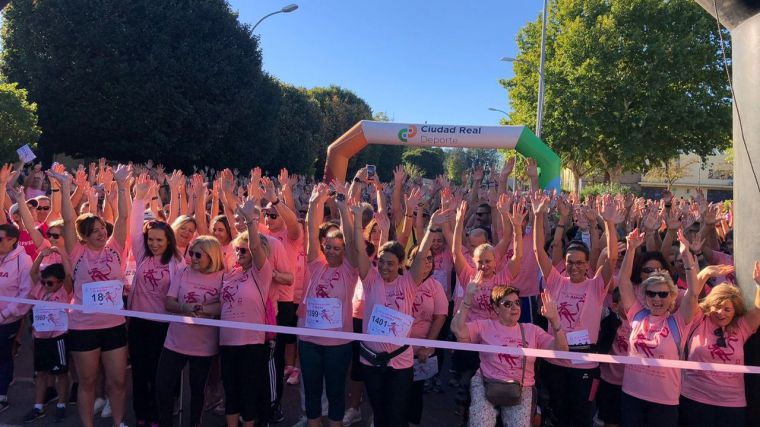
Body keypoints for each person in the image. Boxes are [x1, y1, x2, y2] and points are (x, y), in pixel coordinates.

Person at [48, 166, 130, 427]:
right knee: (87, 382)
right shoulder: (77, 252)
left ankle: (118, 422)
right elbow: (68, 220)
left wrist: (120, 184)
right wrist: (62, 186)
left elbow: (123, 218)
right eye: (94, 230)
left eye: (101, 228)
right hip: (83, 326)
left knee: (117, 381)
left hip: (114, 326)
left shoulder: (116, 248)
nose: (101, 232)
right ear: (83, 236)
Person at [532, 192, 618, 427]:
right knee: (556, 415)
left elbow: (611, 259)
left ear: (587, 264)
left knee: (580, 418)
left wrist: (608, 223)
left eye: (580, 262)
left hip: (585, 363)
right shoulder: (556, 280)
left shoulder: (596, 285)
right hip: (555, 361)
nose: (574, 267)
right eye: (570, 262)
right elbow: (539, 250)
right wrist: (539, 215)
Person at [354, 202, 440, 427]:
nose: (384, 267)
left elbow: (421, 254)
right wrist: (353, 218)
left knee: (396, 416)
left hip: (400, 363)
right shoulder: (370, 279)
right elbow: (358, 248)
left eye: (390, 264)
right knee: (379, 414)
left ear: (401, 264)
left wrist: (430, 227)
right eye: (381, 262)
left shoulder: (409, 283)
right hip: (371, 361)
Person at [617, 229, 701, 427]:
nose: (657, 299)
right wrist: (630, 249)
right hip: (631, 395)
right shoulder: (637, 315)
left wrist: (686, 255)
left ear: (672, 297)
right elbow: (623, 282)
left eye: (663, 294)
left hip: (664, 402)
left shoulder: (678, 321)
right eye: (652, 294)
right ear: (645, 297)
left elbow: (694, 293)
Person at [452, 282, 568, 426]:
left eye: (517, 303)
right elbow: (457, 329)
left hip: (521, 387)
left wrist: (555, 320)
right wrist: (467, 299)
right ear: (496, 308)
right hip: (486, 382)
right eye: (507, 304)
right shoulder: (485, 325)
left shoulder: (532, 330)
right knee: (480, 423)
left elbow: (562, 351)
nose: (514, 308)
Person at [297, 183, 358, 427]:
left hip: (338, 344)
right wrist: (314, 203)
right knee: (311, 392)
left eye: (337, 248)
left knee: (335, 393)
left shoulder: (349, 270)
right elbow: (311, 231)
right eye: (328, 247)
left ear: (344, 250)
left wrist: (343, 208)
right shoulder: (316, 264)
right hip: (310, 341)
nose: (331, 252)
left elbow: (353, 242)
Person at [127, 174, 184, 426]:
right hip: (139, 321)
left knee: (159, 372)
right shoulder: (142, 255)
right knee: (140, 371)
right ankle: (142, 414)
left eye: (159, 240)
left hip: (163, 324)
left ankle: (159, 415)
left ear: (168, 241)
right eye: (151, 240)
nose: (154, 244)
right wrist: (139, 198)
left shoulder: (177, 263)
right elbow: (133, 227)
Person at [155, 236, 225, 427]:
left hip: (203, 344)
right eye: (191, 253)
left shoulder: (223, 277)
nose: (192, 258)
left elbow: (224, 305)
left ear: (211, 256)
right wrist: (185, 307)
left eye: (197, 255)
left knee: (197, 389)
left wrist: (203, 309)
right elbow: (169, 302)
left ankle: (195, 423)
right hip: (176, 340)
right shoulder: (183, 271)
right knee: (163, 384)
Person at [678, 264, 760, 427]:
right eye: (716, 306)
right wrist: (705, 273)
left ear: (735, 310)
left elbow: (758, 311)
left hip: (731, 403)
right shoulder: (699, 319)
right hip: (695, 398)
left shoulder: (741, 327)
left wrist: (759, 285)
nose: (721, 312)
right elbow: (692, 296)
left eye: (727, 309)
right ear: (709, 305)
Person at [219, 200, 273, 427]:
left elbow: (255, 247)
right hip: (227, 341)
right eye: (236, 250)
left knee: (249, 394)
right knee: (231, 392)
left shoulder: (262, 273)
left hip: (251, 343)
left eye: (244, 250)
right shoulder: (230, 274)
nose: (239, 253)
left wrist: (251, 222)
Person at [23, 249, 73, 423]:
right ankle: (38, 406)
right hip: (40, 338)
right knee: (41, 373)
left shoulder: (64, 292)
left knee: (61, 373)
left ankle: (61, 404)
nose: (45, 285)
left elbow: (68, 274)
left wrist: (62, 253)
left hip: (58, 338)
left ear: (60, 282)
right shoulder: (40, 289)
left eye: (50, 283)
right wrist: (42, 255)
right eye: (44, 282)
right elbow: (33, 273)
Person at [406, 244, 448, 427]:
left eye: (430, 259)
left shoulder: (435, 286)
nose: (427, 263)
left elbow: (440, 317)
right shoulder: (401, 280)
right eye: (421, 258)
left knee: (415, 392)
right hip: (396, 350)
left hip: (419, 351)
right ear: (410, 261)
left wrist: (428, 346)